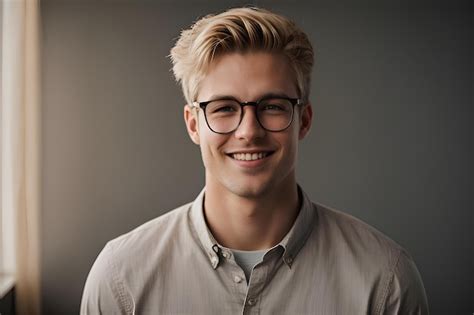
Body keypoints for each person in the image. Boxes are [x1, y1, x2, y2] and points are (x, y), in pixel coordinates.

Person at [81, 7, 429, 314]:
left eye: (272, 106)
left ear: (304, 120)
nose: (249, 131)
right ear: (193, 124)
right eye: (224, 109)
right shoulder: (120, 279)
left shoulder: (385, 280)